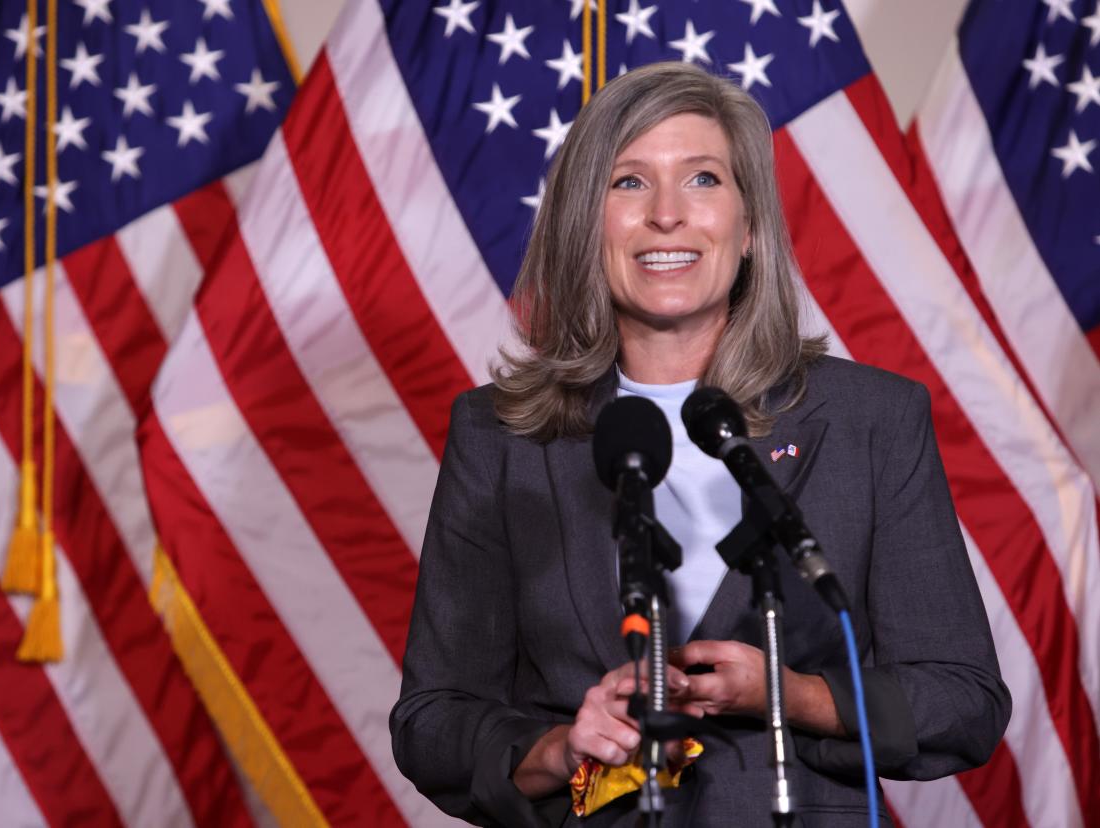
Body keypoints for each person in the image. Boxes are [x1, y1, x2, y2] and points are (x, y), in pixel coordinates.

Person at [389, 61, 1010, 827]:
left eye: (703, 180)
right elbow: (433, 718)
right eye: (627, 183)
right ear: (585, 223)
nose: (666, 216)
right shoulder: (499, 434)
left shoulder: (870, 420)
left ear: (748, 227)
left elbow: (964, 699)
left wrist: (790, 693)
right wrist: (562, 746)